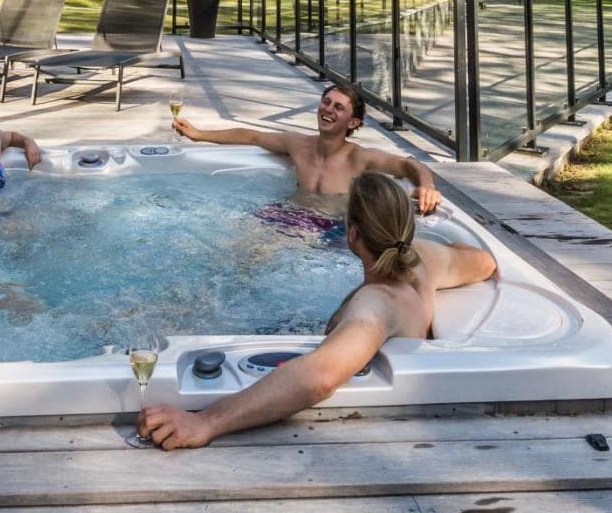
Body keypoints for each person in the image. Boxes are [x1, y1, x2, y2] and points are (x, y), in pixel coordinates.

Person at [136, 171, 495, 449]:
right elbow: (484, 263)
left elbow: (318, 378)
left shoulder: (377, 303)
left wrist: (206, 422)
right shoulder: (423, 259)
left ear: (352, 235)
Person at [173, 83, 441, 214]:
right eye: (326, 102)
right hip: (285, 215)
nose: (328, 109)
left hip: (329, 228)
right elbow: (253, 136)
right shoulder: (298, 145)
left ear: (353, 121)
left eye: (338, 107)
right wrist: (199, 135)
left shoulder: (359, 158)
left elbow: (410, 164)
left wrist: (427, 186)